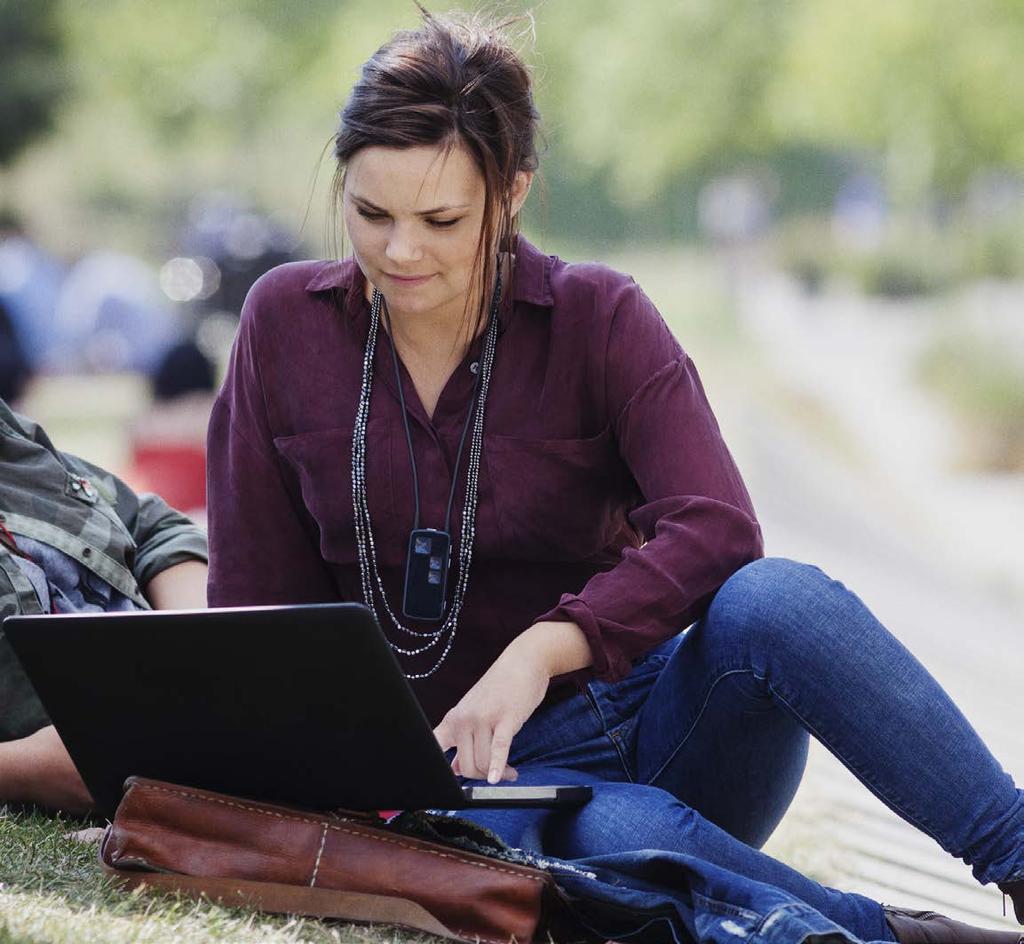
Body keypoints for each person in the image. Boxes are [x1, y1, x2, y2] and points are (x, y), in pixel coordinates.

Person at [206, 11, 1024, 943]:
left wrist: (542, 649)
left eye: (441, 220)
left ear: (511, 193)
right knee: (619, 836)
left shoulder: (598, 317)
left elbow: (717, 526)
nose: (400, 252)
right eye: (370, 213)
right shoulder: (284, 326)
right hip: (467, 789)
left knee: (777, 600)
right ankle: (902, 935)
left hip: (657, 721)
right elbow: (258, 620)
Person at [0, 396, 208, 813]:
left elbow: (151, 525)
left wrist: (197, 636)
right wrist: (24, 769)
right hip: (114, 763)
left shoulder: (12, 442)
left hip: (193, 704)